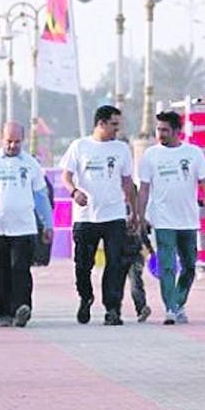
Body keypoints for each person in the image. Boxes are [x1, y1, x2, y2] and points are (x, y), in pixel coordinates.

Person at [60, 105, 137, 326]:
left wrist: (133, 212)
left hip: (114, 215)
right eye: (113, 124)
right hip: (85, 217)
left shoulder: (121, 149)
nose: (117, 129)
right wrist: (74, 192)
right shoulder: (79, 146)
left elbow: (127, 182)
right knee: (83, 265)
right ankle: (86, 297)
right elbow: (67, 176)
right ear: (101, 123)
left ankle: (112, 308)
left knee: (115, 263)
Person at [138, 110, 205, 326]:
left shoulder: (193, 153)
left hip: (188, 219)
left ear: (177, 131)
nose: (160, 134)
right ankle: (170, 308)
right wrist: (140, 215)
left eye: (165, 130)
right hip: (162, 220)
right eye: (158, 129)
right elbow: (143, 189)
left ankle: (179, 302)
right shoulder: (151, 155)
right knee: (168, 266)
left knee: (190, 266)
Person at [0, 121, 53, 327]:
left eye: (17, 142)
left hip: (24, 227)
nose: (12, 146)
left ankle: (20, 309)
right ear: (1, 139)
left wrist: (48, 224)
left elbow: (41, 196)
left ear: (23, 140)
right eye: (9, 141)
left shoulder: (31, 164)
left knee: (20, 270)